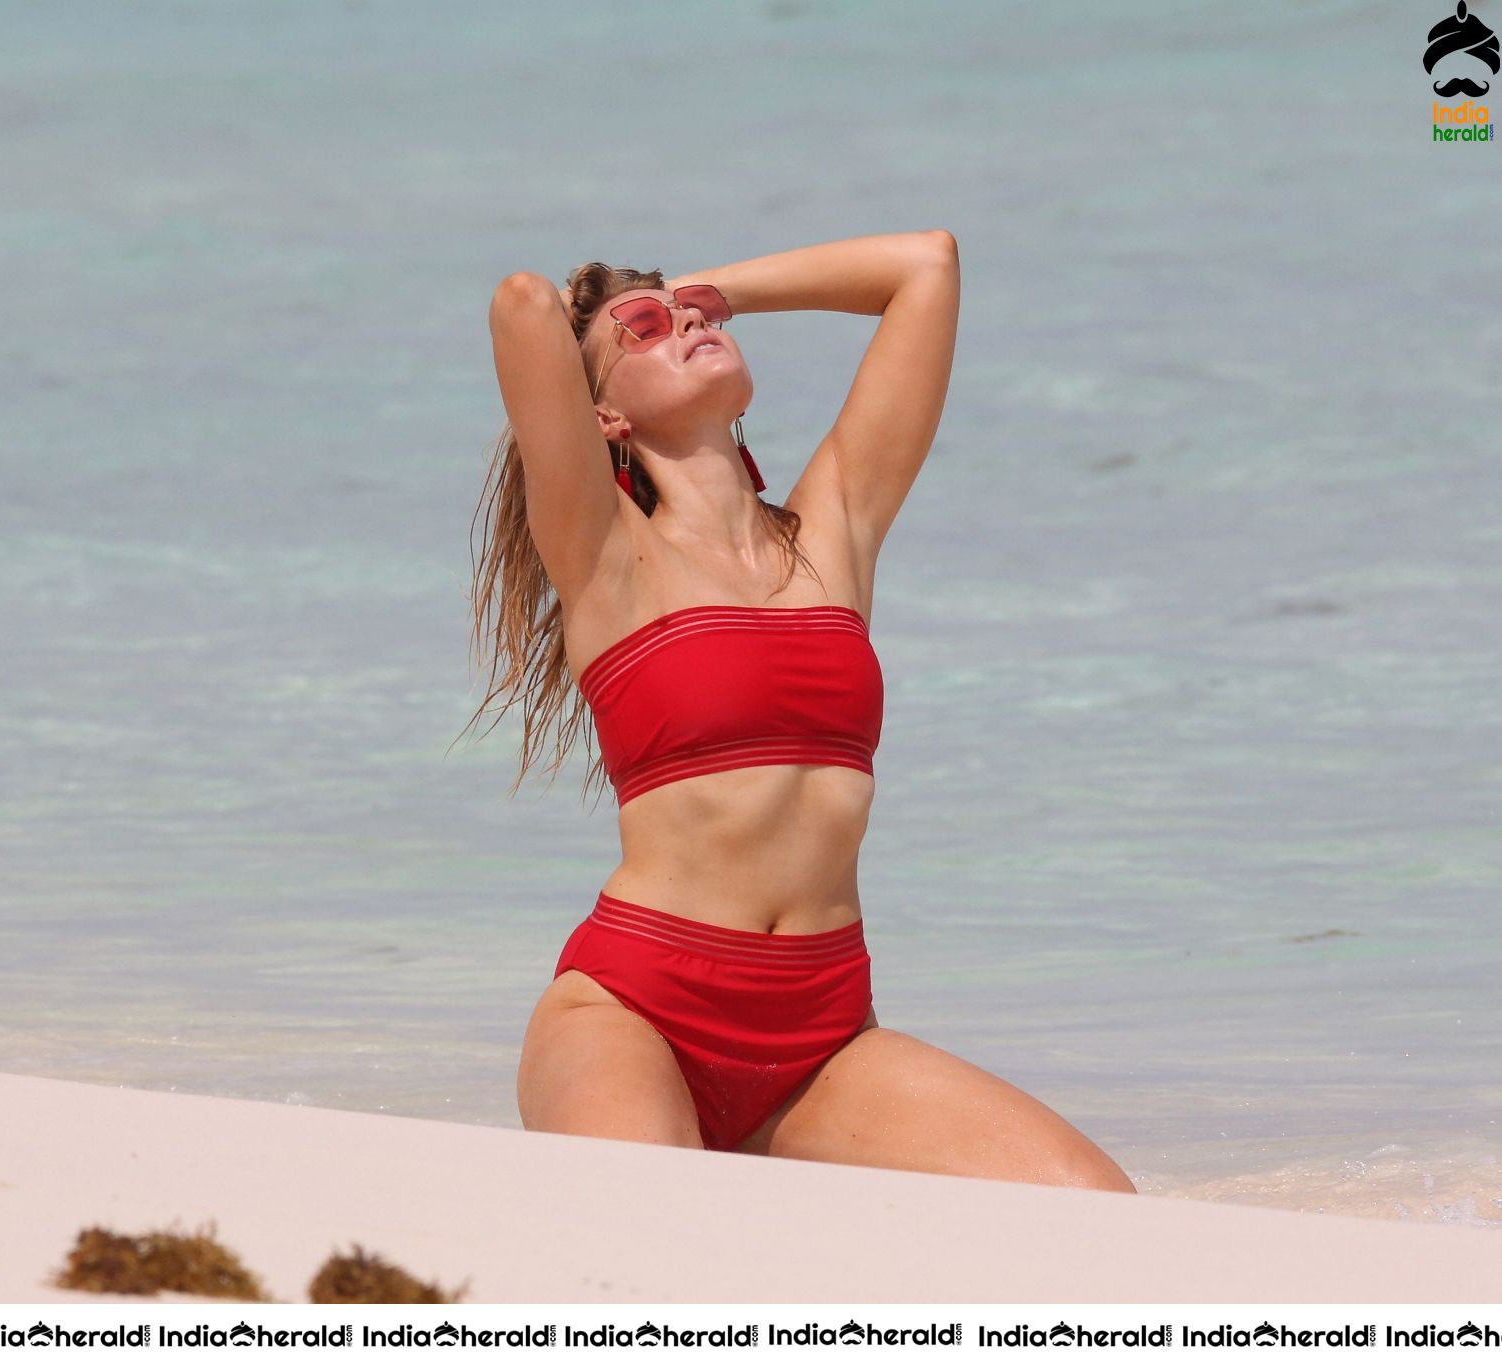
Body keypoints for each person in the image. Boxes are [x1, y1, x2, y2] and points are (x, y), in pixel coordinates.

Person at [468, 231, 1135, 1193]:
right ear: (604, 413)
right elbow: (521, 304)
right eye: (646, 328)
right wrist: (624, 311)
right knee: (652, 1227)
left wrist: (709, 290)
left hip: (822, 1033)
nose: (685, 324)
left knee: (1094, 1205)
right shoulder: (607, 555)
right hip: (637, 1010)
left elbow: (925, 267)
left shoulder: (833, 531)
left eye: (696, 316)